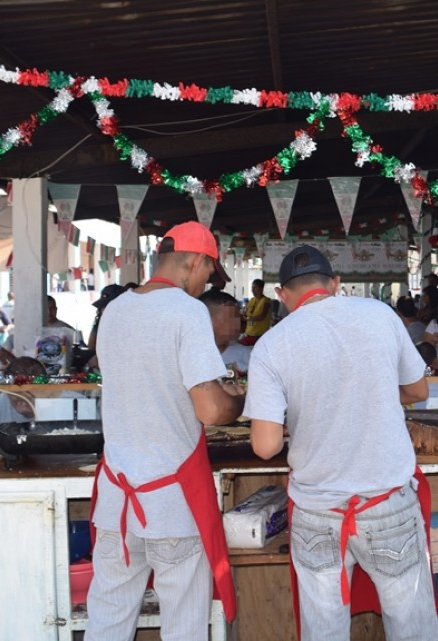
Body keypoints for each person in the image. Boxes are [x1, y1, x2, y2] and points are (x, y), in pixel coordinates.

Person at [244, 245, 436, 641]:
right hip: (387, 503)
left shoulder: (272, 345)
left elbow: (264, 446)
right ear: (335, 284)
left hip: (317, 510)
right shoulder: (380, 315)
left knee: (324, 631)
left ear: (282, 295)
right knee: (412, 628)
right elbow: (417, 390)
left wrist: (298, 412)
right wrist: (373, 392)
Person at [87, 221, 245, 640]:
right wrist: (241, 401)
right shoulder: (186, 311)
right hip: (171, 502)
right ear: (195, 261)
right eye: (208, 272)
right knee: (184, 625)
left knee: (108, 617)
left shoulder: (115, 309)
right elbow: (211, 410)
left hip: (117, 499)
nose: (206, 282)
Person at [200, 288, 252, 376]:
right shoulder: (191, 357)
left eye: (238, 317)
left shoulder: (247, 356)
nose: (237, 323)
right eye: (230, 318)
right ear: (207, 320)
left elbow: (231, 385)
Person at [244, 279, 272, 343]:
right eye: (252, 287)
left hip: (259, 335)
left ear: (261, 289)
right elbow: (245, 313)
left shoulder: (266, 301)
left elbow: (262, 316)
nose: (252, 290)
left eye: (255, 287)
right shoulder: (252, 300)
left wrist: (248, 318)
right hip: (249, 333)